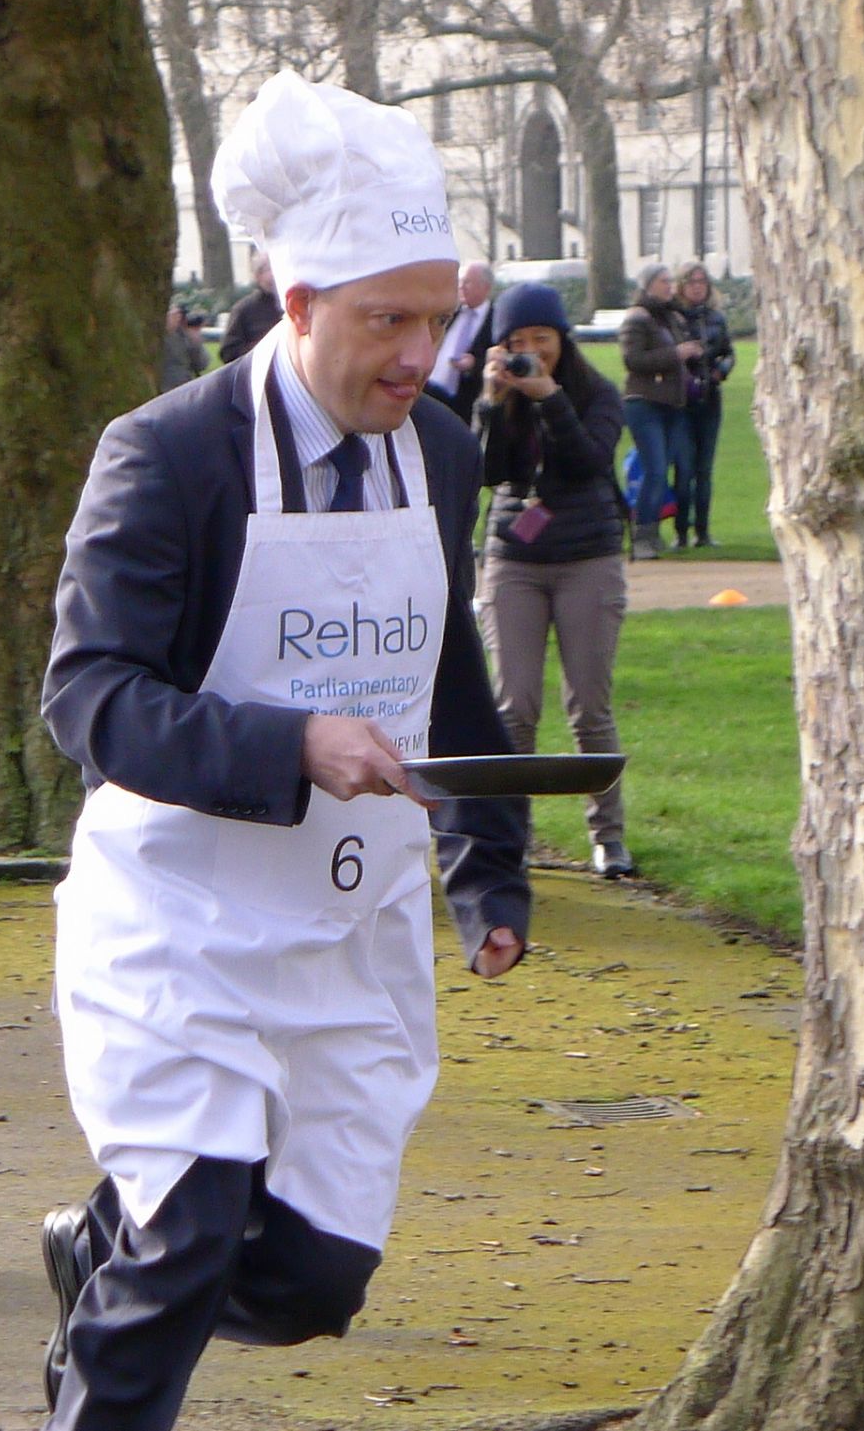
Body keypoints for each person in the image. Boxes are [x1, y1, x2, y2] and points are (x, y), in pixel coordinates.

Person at [37, 71, 531, 1431]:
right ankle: (133, 1284)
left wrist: (493, 868)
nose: (417, 353)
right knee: (190, 1232)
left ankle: (102, 1249)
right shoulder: (168, 455)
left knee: (314, 1282)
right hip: (181, 923)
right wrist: (292, 742)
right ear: (296, 298)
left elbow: (444, 671)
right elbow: (89, 701)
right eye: (386, 320)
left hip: (349, 932)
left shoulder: (435, 450)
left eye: (436, 317)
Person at [472, 282, 633, 879]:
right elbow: (483, 473)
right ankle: (512, 837)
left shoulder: (597, 394)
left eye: (542, 338)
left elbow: (589, 461)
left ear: (563, 339)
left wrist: (550, 397)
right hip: (514, 558)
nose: (531, 351)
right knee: (513, 707)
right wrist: (491, 403)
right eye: (517, 342)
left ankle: (609, 837)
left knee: (589, 706)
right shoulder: (501, 393)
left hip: (586, 556)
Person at [617, 264, 700, 561]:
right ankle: (642, 534)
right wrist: (676, 354)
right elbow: (633, 359)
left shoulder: (670, 317)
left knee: (664, 469)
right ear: (648, 284)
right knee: (653, 469)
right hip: (645, 403)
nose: (669, 286)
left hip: (672, 405)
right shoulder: (638, 318)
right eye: (663, 281)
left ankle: (652, 533)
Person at [672, 262, 734, 550]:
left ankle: (703, 532)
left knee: (704, 470)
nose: (698, 286)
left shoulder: (716, 319)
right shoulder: (673, 319)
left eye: (702, 282)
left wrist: (721, 370)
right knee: (684, 469)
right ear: (682, 285)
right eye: (692, 282)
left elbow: (728, 353)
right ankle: (681, 532)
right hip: (682, 401)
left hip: (709, 398)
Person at [424, 259, 494, 424]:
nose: (461, 287)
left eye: (467, 282)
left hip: (464, 402)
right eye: (460, 281)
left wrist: (475, 364)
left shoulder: (495, 319)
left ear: (485, 287)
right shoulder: (450, 312)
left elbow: (499, 354)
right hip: (431, 391)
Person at [217, 253, 283, 363]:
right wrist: (262, 349)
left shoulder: (299, 304)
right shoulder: (244, 309)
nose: (275, 274)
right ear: (257, 276)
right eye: (269, 269)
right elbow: (228, 352)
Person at [157, 302, 207, 392]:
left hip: (185, 389)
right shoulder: (162, 334)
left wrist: (196, 343)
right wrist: (167, 330)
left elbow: (201, 365)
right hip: (164, 389)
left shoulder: (187, 336)